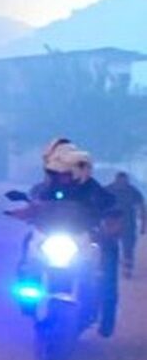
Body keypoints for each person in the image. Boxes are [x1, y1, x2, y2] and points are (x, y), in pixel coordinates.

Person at [27, 139, 121, 336]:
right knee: (28, 243)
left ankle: (107, 317)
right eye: (55, 173)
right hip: (52, 236)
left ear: (79, 171)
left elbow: (111, 207)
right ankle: (27, 290)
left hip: (84, 239)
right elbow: (33, 202)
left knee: (109, 258)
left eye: (64, 173)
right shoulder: (44, 188)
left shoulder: (94, 190)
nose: (60, 177)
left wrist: (111, 224)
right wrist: (29, 211)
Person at [107, 171, 145, 278]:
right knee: (111, 247)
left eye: (124, 180)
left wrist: (143, 224)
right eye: (120, 180)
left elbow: (141, 206)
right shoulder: (108, 190)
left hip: (129, 224)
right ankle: (111, 268)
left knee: (128, 248)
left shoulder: (132, 191)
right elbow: (98, 205)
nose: (122, 182)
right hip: (111, 223)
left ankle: (127, 268)